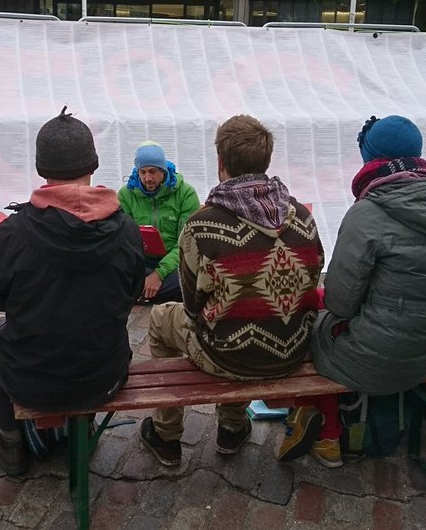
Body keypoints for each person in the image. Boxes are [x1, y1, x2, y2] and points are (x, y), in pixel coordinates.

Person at [279, 115, 426, 467]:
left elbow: (339, 301)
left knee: (306, 326)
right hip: (425, 356)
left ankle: (326, 432)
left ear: (372, 159)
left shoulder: (369, 211)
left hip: (373, 361)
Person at [138, 115, 324, 467]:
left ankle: (166, 434)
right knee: (239, 315)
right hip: (292, 350)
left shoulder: (203, 224)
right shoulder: (301, 215)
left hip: (226, 356)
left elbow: (192, 306)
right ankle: (232, 429)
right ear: (266, 162)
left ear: (221, 163)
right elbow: (313, 282)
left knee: (165, 317)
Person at [0, 107, 145, 476]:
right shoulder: (127, 231)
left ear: (41, 168)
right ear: (93, 165)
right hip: (106, 375)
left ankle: (10, 441)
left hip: (31, 380)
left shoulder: (13, 233)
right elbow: (133, 292)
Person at [117, 141, 200, 304]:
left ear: (163, 170)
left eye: (153, 171)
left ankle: (139, 293)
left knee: (192, 275)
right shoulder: (126, 195)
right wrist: (136, 247)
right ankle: (152, 293)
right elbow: (121, 237)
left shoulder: (185, 194)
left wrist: (159, 274)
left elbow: (186, 244)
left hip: (174, 263)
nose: (147, 178)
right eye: (143, 172)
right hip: (141, 262)